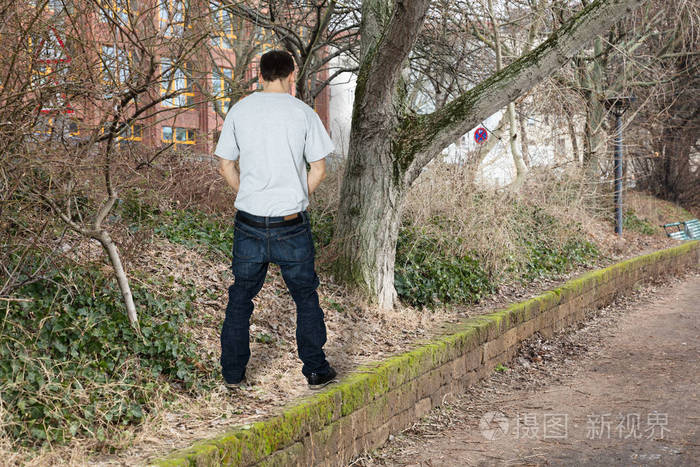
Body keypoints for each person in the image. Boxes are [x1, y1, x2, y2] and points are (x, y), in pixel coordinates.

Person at [214, 50, 337, 391]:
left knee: (240, 297)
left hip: (249, 222)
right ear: (291, 74)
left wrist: (248, 195)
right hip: (291, 224)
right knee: (305, 297)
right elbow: (320, 169)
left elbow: (225, 164)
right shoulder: (303, 113)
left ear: (260, 74)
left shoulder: (240, 110)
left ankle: (233, 374)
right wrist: (297, 195)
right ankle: (315, 370)